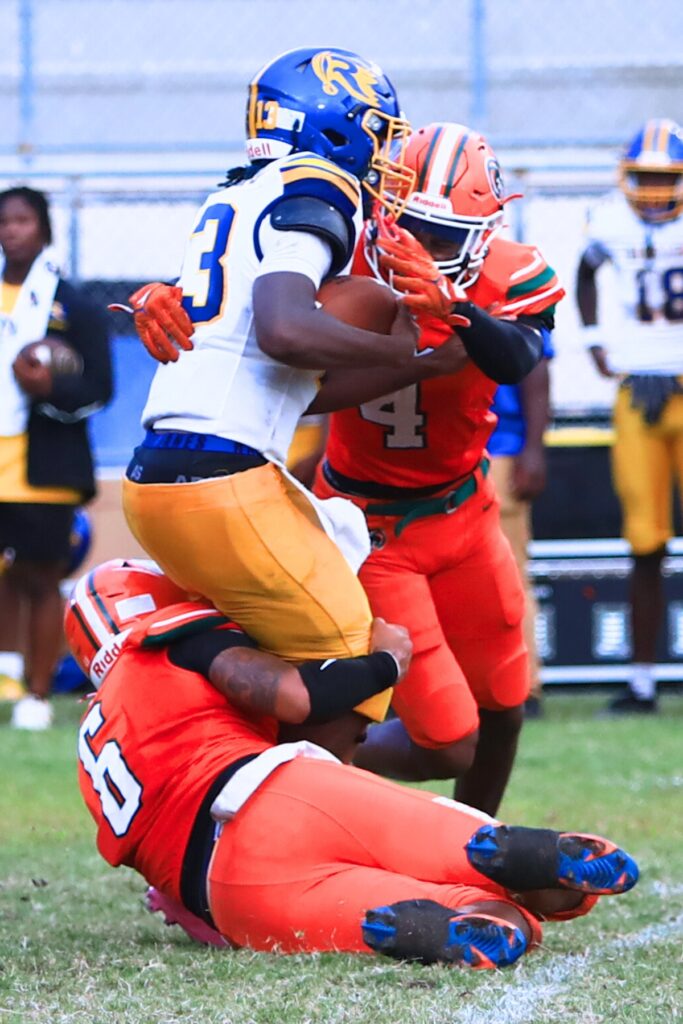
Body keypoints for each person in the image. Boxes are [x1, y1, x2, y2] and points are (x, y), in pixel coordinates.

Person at [67, 558, 638, 967]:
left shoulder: (92, 749)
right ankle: (521, 859)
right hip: (268, 792)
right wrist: (385, 663)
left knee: (483, 922)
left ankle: (459, 923)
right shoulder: (166, 636)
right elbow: (290, 696)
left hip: (226, 892)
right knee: (473, 851)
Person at [120, 45, 429, 727]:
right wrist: (412, 358)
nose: (384, 154)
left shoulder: (233, 191)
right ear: (335, 126)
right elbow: (284, 329)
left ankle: (211, 724)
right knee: (353, 667)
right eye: (376, 131)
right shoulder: (318, 184)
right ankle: (307, 827)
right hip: (220, 479)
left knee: (306, 614)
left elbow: (285, 368)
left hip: (160, 476)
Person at [313, 123, 564, 814]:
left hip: (463, 510)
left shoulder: (506, 272)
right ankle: (298, 769)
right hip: (371, 527)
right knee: (449, 740)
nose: (421, 250)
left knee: (505, 704)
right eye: (408, 226)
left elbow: (518, 356)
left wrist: (457, 312)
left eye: (442, 237)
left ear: (483, 233)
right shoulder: (338, 262)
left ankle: (481, 851)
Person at [577, 118, 683, 715]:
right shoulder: (609, 221)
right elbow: (587, 269)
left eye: (664, 178)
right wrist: (595, 339)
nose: (652, 189)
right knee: (645, 541)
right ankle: (643, 680)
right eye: (643, 176)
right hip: (637, 393)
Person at [0, 186, 113, 730]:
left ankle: (36, 695)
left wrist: (48, 386)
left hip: (43, 466)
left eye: (22, 220)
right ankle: (7, 674)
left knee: (40, 579)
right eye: (4, 221)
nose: (11, 230)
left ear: (43, 228)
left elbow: (100, 385)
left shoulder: (73, 304)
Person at [488, 346, 555, 719]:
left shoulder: (510, 289)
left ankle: (524, 685)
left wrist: (532, 448)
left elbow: (535, 362)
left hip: (497, 446)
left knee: (508, 574)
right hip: (434, 448)